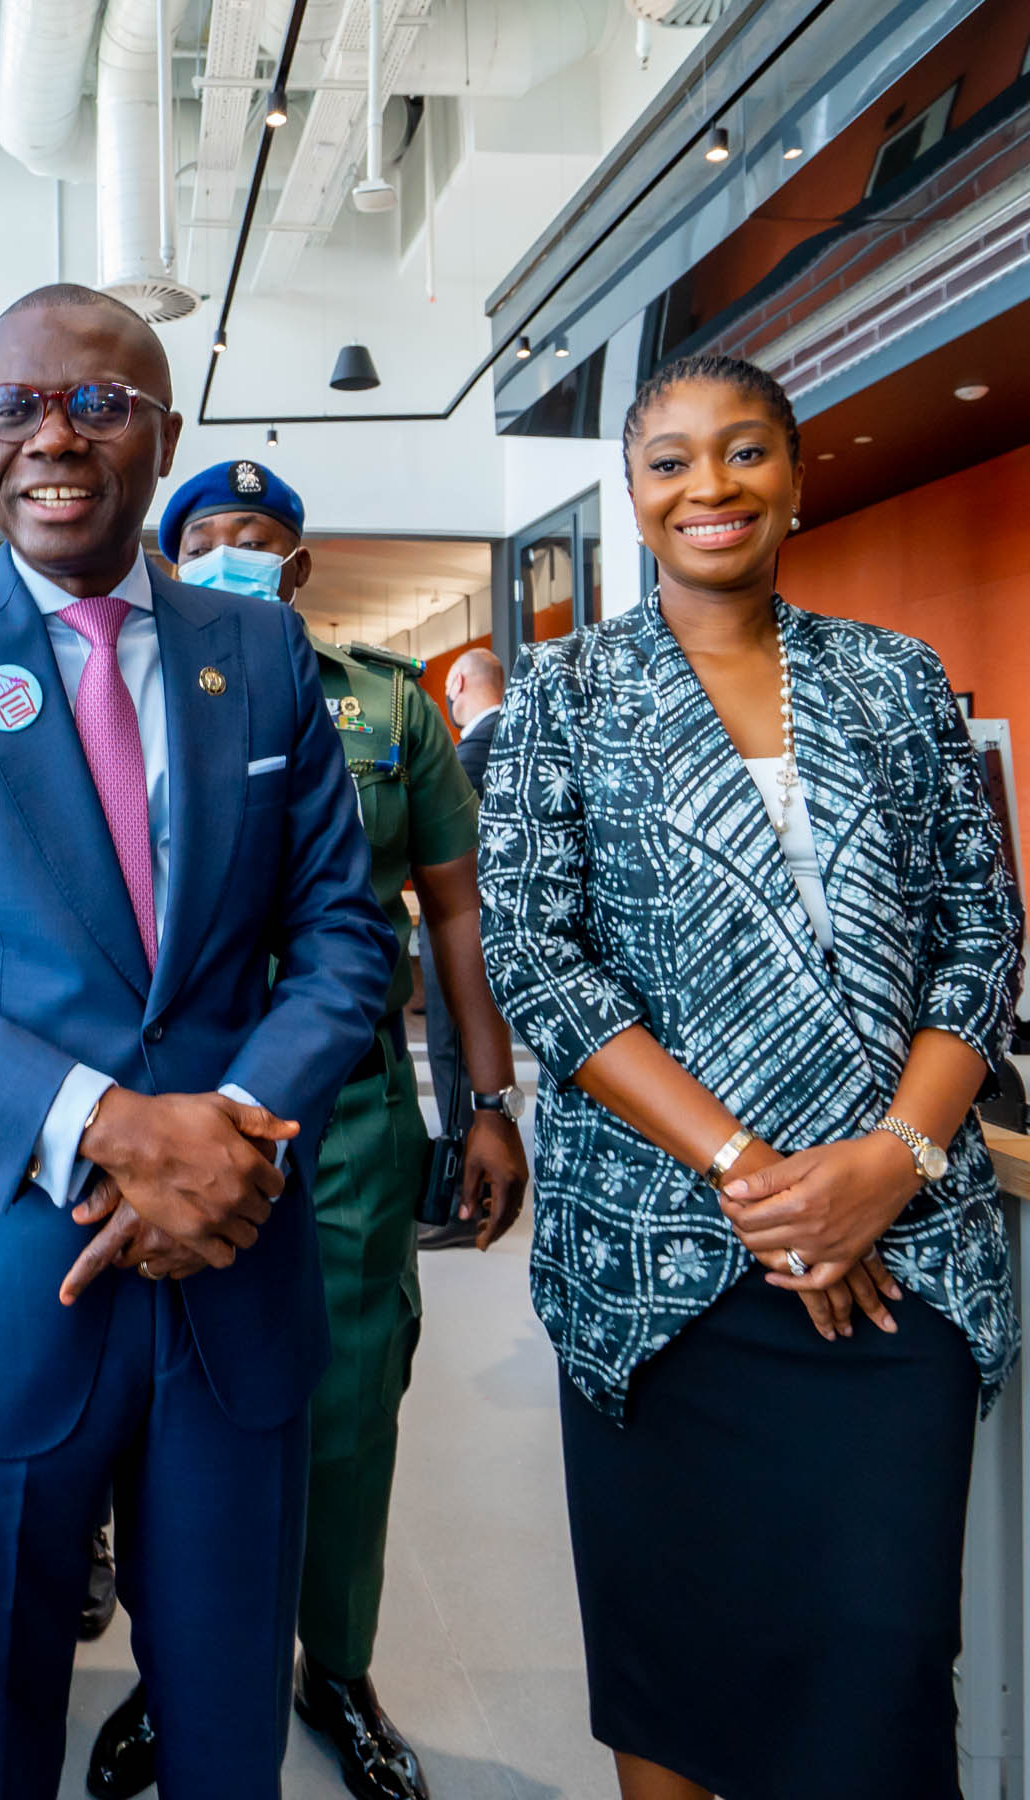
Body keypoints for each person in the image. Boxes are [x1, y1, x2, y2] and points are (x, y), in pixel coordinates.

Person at [0, 283, 394, 1800]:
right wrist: (119, 1130)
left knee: (227, 1738)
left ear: (163, 431)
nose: (54, 438)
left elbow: (345, 944)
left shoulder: (256, 658)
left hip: (231, 1264)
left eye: (99, 405)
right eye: (16, 408)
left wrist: (230, 1126)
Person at [479, 351, 1023, 1800]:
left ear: (798, 474)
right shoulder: (566, 698)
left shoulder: (897, 681)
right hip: (664, 1266)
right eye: (669, 462)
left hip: (898, 1249)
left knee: (884, 1654)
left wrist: (884, 1166)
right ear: (633, 494)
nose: (708, 487)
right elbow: (538, 959)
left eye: (743, 454)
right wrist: (763, 1186)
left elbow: (983, 936)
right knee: (675, 1665)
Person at [87, 469, 530, 1800]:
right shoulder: (119, 690)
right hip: (161, 1118)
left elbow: (451, 914)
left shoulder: (388, 704)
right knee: (163, 1414)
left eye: (254, 540)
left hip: (340, 1124)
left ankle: (335, 1664)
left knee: (344, 1413)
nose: (227, 555)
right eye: (202, 540)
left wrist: (488, 1102)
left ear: (299, 564)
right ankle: (182, 1680)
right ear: (163, 561)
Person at [418, 646, 509, 1252]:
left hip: (465, 933)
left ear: (457, 683)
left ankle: (461, 1198)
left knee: (453, 1065)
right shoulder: (520, 736)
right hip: (501, 933)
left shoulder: (470, 754)